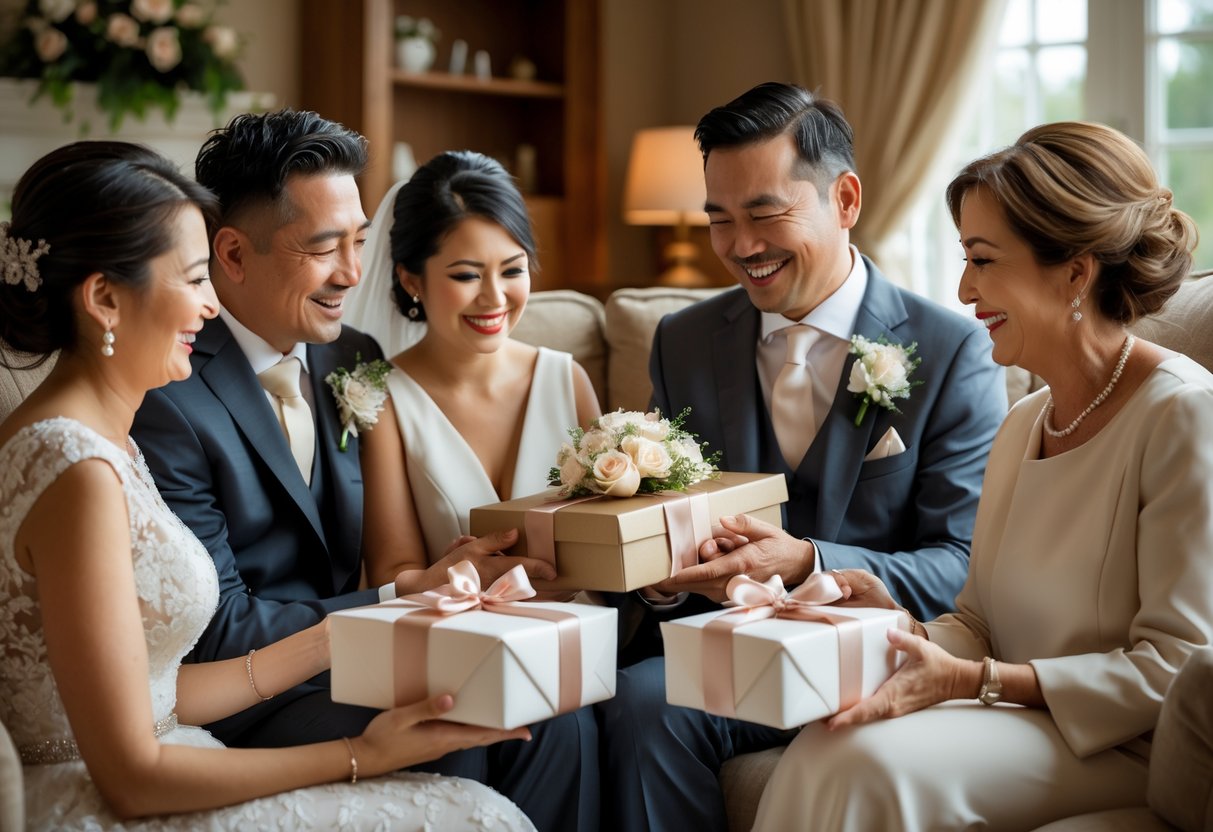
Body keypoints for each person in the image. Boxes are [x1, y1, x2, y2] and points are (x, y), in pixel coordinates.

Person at [0, 140, 536, 830]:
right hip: (104, 797)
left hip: (175, 742)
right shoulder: (76, 466)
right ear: (104, 298)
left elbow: (161, 692)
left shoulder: (98, 440)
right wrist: (359, 755)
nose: (209, 308)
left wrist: (387, 608)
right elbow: (132, 775)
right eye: (194, 281)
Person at [129, 111, 599, 832]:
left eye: (357, 241)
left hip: (364, 657)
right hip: (251, 692)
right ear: (231, 254)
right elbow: (219, 628)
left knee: (552, 707)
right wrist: (398, 594)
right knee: (456, 730)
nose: (352, 272)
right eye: (324, 248)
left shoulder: (350, 356)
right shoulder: (171, 396)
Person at [752, 121, 1213, 830]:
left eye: (983, 260)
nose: (964, 289)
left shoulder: (1181, 416)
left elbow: (1179, 668)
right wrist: (895, 623)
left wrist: (978, 681)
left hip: (1123, 742)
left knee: (865, 767)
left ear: (1075, 273)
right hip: (1021, 714)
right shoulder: (1024, 422)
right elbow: (978, 623)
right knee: (827, 745)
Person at [596, 82, 1007, 831]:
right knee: (622, 698)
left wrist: (807, 563)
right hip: (722, 648)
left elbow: (964, 562)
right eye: (719, 219)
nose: (739, 246)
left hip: (873, 652)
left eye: (763, 213)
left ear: (844, 199)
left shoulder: (952, 351)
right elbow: (666, 519)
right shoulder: (681, 340)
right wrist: (658, 573)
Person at [354, 150, 601, 587]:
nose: (494, 298)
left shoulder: (567, 380)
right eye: (467, 276)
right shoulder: (381, 397)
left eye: (512, 270)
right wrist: (453, 575)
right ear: (412, 280)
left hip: (587, 636)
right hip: (457, 637)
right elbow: (390, 573)